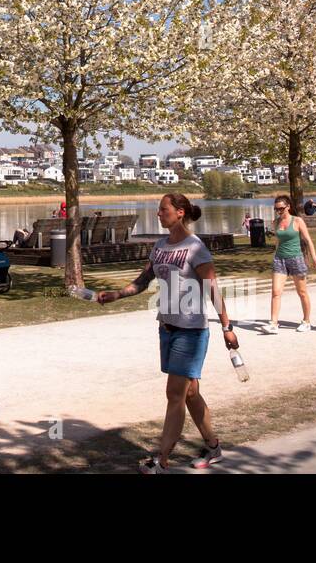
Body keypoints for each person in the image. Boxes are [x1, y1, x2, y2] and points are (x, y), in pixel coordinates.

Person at [96, 193, 238, 473]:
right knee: (190, 393)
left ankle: (161, 459)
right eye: (159, 210)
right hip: (167, 329)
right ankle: (213, 446)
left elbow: (213, 288)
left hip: (191, 331)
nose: (158, 214)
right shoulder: (160, 246)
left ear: (180, 212)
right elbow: (142, 281)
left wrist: (227, 326)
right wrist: (115, 295)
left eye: (163, 210)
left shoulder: (195, 248)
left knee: (174, 393)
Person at [265, 195, 316, 333]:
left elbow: (308, 240)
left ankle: (306, 321)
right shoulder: (275, 222)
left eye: (281, 208)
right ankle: (273, 323)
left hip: (296, 258)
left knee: (301, 292)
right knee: (276, 292)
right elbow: (277, 241)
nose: (279, 211)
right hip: (280, 259)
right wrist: (275, 255)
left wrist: (315, 258)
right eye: (276, 209)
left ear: (288, 207)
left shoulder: (297, 221)